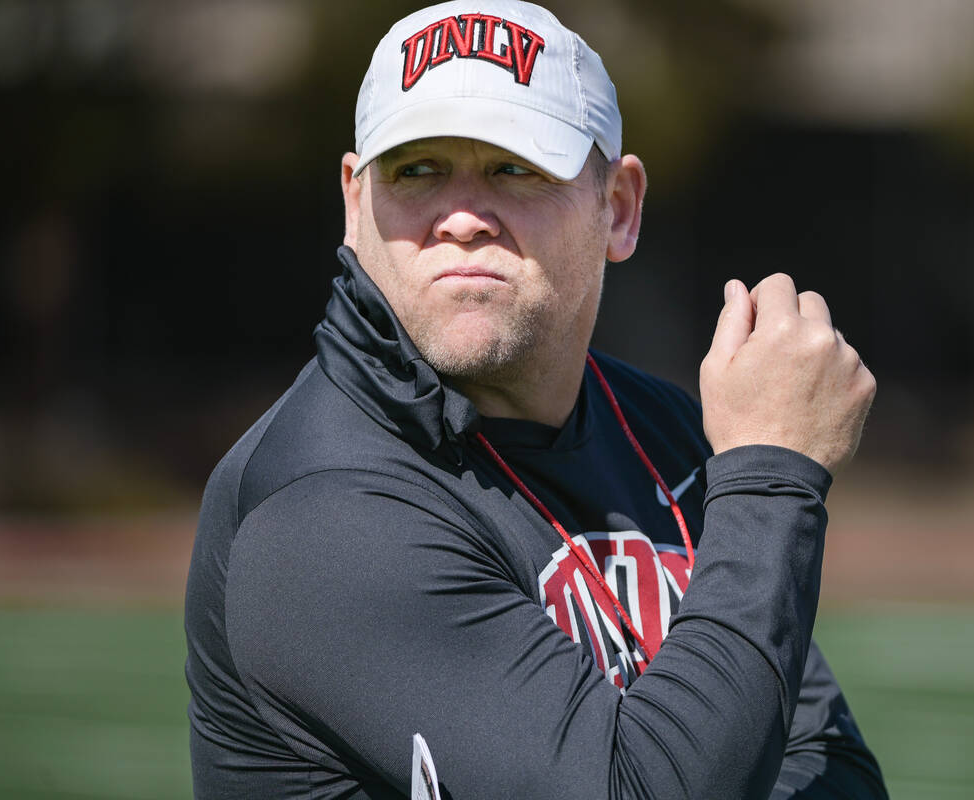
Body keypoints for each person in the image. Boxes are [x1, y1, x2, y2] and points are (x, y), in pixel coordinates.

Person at [184, 1, 884, 797]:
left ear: (616, 208)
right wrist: (771, 475)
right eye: (417, 170)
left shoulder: (666, 430)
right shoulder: (324, 508)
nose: (460, 218)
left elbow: (837, 774)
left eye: (513, 168)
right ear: (354, 203)